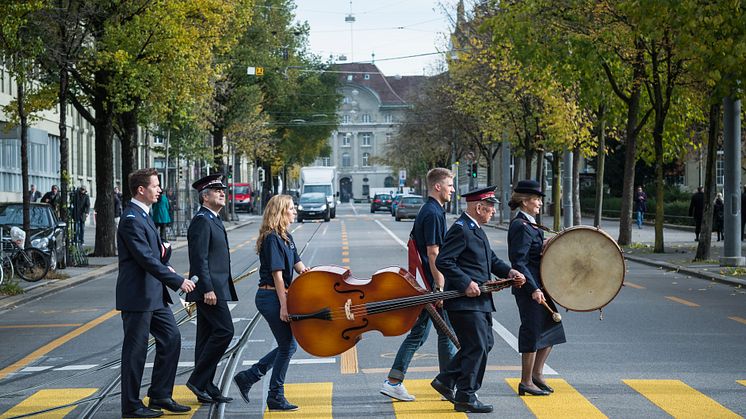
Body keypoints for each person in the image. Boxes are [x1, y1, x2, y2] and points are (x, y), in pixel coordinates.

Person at [430, 186, 526, 414]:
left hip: (479, 300)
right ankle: (466, 395)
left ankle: (446, 380)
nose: (493, 211)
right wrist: (465, 283)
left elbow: (489, 260)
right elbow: (444, 261)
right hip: (465, 301)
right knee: (477, 346)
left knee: (485, 344)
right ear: (479, 207)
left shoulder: (476, 229)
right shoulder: (461, 229)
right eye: (490, 207)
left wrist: (509, 272)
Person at [115, 168, 196, 418]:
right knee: (135, 353)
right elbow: (146, 259)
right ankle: (131, 405)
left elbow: (154, 255)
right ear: (142, 190)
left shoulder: (144, 215)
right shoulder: (131, 219)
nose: (159, 189)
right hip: (138, 296)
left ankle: (160, 394)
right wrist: (177, 280)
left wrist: (165, 257)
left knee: (171, 339)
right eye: (155, 185)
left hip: (154, 295)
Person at [380, 168, 457, 402]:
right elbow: (433, 253)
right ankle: (445, 383)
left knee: (422, 334)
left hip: (425, 282)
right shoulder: (433, 213)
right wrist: (440, 286)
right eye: (450, 185)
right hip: (430, 283)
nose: (453, 190)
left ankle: (397, 381)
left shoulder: (431, 210)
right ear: (438, 187)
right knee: (445, 333)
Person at [233, 195, 308, 411]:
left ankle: (250, 377)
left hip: (280, 295)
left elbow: (300, 267)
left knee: (288, 345)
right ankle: (274, 395)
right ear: (281, 212)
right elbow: (277, 276)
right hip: (270, 297)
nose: (295, 212)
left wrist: (319, 279)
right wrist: (284, 306)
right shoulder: (272, 238)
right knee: (288, 346)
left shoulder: (287, 237)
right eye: (291, 208)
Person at [507, 179, 567, 398]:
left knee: (552, 326)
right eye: (536, 199)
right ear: (525, 201)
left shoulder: (529, 224)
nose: (540, 203)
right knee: (532, 330)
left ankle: (537, 373)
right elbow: (519, 262)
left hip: (539, 284)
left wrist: (543, 246)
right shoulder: (520, 226)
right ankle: (525, 381)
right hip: (528, 287)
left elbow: (530, 255)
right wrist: (533, 288)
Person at [185, 174, 238, 404]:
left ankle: (206, 385)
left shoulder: (213, 218)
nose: (222, 193)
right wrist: (207, 288)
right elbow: (199, 259)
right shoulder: (202, 221)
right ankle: (198, 380)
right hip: (209, 290)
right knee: (225, 331)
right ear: (205, 197)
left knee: (206, 338)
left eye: (222, 189)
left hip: (215, 288)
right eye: (217, 190)